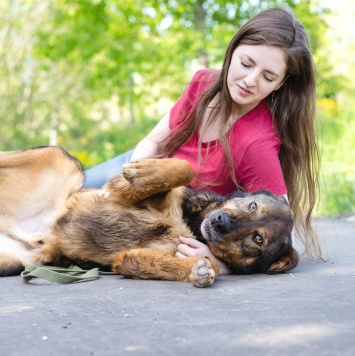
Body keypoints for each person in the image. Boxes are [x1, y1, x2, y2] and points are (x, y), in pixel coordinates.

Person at [84, 8, 322, 272]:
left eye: (268, 77)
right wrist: (127, 188)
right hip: (140, 169)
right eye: (246, 63)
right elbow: (153, 142)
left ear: (280, 83)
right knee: (61, 191)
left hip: (164, 213)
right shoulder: (203, 83)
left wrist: (222, 262)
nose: (250, 81)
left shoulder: (256, 143)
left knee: (68, 228)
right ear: (232, 51)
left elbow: (277, 223)